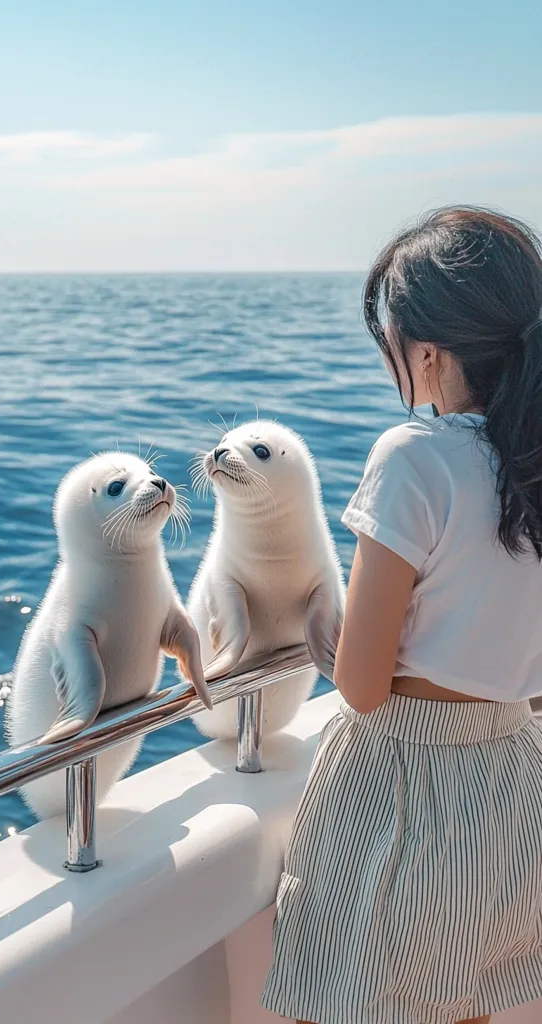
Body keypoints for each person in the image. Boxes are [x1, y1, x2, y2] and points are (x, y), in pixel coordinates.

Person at [260, 206, 542, 1024]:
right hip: (514, 779)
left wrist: (326, 635)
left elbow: (362, 685)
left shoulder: (415, 458)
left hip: (402, 784)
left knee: (347, 1000)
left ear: (424, 351)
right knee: (468, 1004)